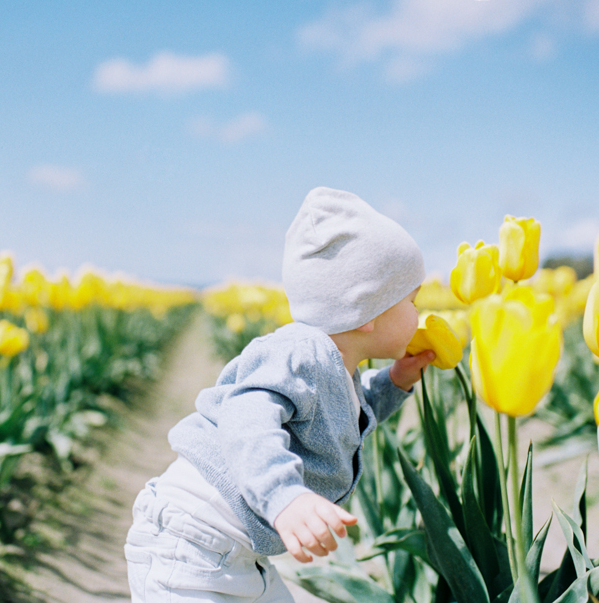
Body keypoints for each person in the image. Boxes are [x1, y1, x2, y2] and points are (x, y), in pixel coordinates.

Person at [125, 186, 436, 602]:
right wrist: (284, 497)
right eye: (412, 300)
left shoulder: (335, 365)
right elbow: (247, 418)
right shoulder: (298, 351)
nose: (421, 314)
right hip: (189, 543)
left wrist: (396, 381)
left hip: (238, 549)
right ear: (367, 309)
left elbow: (343, 418)